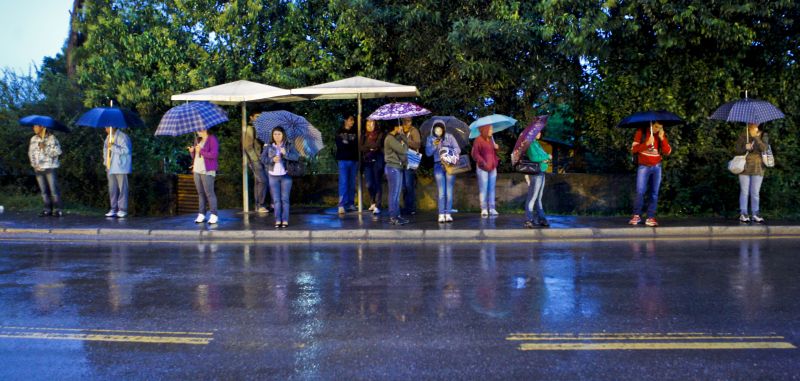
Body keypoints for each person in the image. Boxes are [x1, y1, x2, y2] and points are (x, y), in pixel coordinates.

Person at [628, 122, 671, 227]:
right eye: (656, 127)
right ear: (651, 125)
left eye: (660, 127)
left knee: (654, 193)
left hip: (657, 167)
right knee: (640, 191)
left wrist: (662, 138)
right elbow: (633, 149)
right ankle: (636, 216)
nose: (657, 129)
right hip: (643, 166)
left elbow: (668, 151)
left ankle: (650, 217)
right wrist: (646, 143)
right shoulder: (641, 132)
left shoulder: (660, 134)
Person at [262, 126, 300, 228]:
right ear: (272, 135)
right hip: (273, 176)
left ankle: (285, 220)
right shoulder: (269, 146)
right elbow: (263, 159)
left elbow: (296, 157)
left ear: (283, 135)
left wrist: (285, 153)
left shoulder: (288, 145)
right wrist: (272, 160)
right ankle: (278, 220)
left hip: (286, 175)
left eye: (279, 134)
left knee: (285, 199)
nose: (277, 136)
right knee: (276, 200)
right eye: (275, 134)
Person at [426, 120, 460, 223]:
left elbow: (458, 149)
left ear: (443, 129)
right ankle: (441, 214)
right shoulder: (430, 138)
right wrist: (434, 145)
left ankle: (448, 214)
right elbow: (428, 153)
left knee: (449, 191)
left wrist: (449, 152)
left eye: (440, 129)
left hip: (449, 165)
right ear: (434, 130)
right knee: (442, 192)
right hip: (438, 165)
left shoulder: (449, 137)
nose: (438, 131)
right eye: (436, 129)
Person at [735, 123, 769, 224]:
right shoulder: (743, 134)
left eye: (756, 121)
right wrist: (745, 148)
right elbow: (736, 150)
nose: (753, 122)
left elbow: (764, 148)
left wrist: (755, 137)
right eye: (751, 120)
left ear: (759, 123)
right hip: (744, 167)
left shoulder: (764, 135)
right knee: (744, 191)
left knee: (755, 192)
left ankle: (755, 214)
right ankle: (744, 214)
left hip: (758, 167)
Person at [28, 125, 63, 217]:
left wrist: (45, 147)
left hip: (50, 167)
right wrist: (34, 165)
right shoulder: (33, 139)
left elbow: (58, 152)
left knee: (53, 190)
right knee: (44, 191)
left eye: (36, 127)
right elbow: (31, 153)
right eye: (34, 127)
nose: (34, 128)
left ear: (42, 127)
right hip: (38, 168)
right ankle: (47, 209)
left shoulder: (52, 138)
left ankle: (57, 210)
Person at [188, 129, 219, 224]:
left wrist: (201, 151)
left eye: (199, 128)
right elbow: (195, 157)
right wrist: (192, 151)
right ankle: (201, 214)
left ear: (205, 129)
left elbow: (214, 155)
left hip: (207, 170)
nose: (197, 130)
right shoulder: (198, 139)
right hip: (196, 169)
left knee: (209, 193)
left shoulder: (212, 139)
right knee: (200, 193)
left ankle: (214, 214)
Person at [523, 129, 551, 228]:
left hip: (541, 172)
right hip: (535, 173)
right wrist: (546, 156)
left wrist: (545, 157)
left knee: (538, 198)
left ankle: (541, 218)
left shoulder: (536, 143)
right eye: (538, 132)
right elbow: (534, 158)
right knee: (532, 198)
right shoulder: (530, 144)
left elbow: (542, 155)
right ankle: (528, 220)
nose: (540, 133)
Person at [471, 124, 500, 218]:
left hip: (492, 167)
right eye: (490, 129)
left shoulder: (491, 139)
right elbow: (475, 154)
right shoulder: (478, 140)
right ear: (485, 129)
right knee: (483, 189)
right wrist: (483, 162)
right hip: (482, 167)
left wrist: (496, 148)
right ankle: (484, 208)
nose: (492, 130)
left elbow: (493, 153)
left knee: (491, 189)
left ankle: (492, 208)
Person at [103, 127, 132, 218]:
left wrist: (113, 147)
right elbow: (105, 150)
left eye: (107, 127)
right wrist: (105, 161)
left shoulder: (123, 137)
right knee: (112, 189)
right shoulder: (108, 137)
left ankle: (123, 209)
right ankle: (113, 209)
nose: (105, 129)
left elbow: (126, 150)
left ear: (112, 127)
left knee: (122, 188)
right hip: (110, 167)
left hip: (120, 167)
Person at [384, 123, 409, 225]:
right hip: (393, 168)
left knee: (397, 194)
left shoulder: (394, 138)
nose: (401, 128)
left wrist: (402, 137)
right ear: (395, 127)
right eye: (400, 126)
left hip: (397, 167)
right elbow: (403, 150)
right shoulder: (390, 139)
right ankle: (393, 217)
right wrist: (403, 136)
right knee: (394, 194)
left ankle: (397, 216)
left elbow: (405, 147)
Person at [245, 114, 269, 214]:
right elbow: (247, 146)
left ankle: (258, 205)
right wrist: (255, 159)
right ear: (251, 117)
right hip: (255, 160)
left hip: (261, 159)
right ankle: (260, 205)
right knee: (263, 181)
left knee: (259, 182)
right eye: (257, 116)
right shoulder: (250, 129)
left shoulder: (259, 128)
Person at [335, 115, 359, 215]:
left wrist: (347, 143)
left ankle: (351, 203)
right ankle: (341, 205)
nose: (352, 122)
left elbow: (356, 145)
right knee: (343, 182)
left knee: (352, 183)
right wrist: (350, 144)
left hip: (354, 160)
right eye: (350, 120)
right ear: (345, 120)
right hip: (343, 160)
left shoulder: (355, 132)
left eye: (353, 120)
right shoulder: (339, 132)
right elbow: (340, 146)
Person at [361, 119, 384, 215]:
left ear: (375, 124)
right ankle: (372, 201)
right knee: (369, 184)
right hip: (367, 162)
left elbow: (378, 144)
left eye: (372, 123)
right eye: (367, 123)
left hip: (377, 161)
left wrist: (369, 147)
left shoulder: (380, 134)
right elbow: (361, 147)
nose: (369, 125)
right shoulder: (364, 135)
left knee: (377, 183)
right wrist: (371, 148)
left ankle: (378, 205)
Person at [401, 117, 421, 215]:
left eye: (409, 121)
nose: (407, 123)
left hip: (410, 160)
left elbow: (418, 145)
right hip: (401, 160)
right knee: (403, 186)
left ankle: (411, 207)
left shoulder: (414, 131)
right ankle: (406, 206)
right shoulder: (400, 130)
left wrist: (406, 141)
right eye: (406, 121)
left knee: (409, 185)